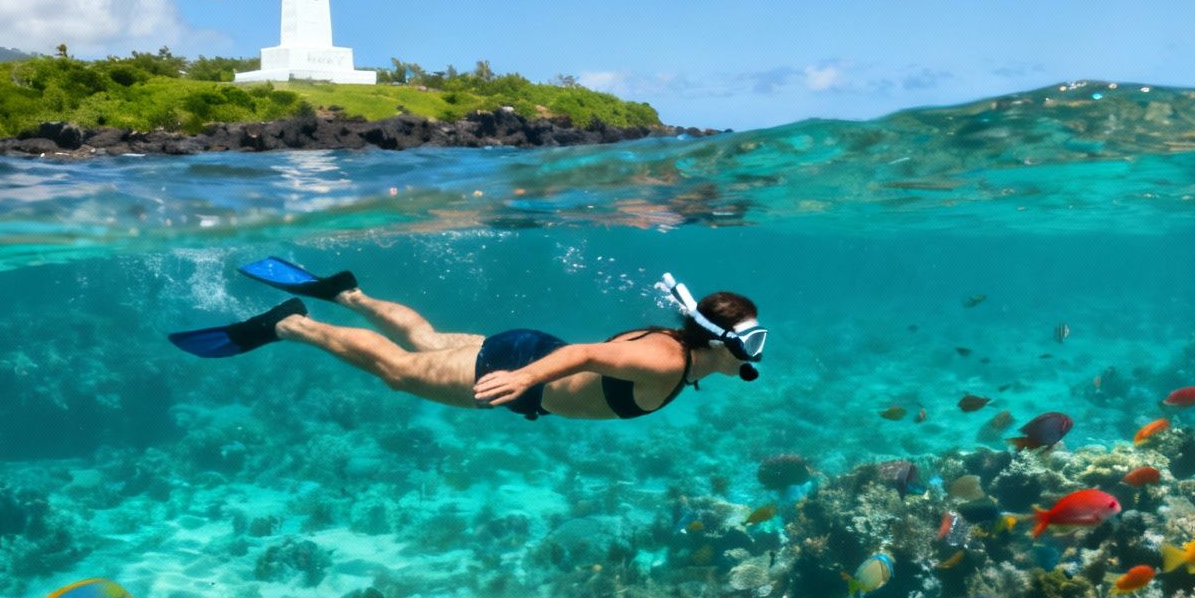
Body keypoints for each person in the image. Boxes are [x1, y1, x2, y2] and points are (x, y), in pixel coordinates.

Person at [168, 259, 765, 420]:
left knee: (425, 340)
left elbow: (729, 363)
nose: (755, 355)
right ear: (722, 342)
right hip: (521, 372)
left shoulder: (687, 350)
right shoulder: (662, 361)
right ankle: (291, 323)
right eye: (751, 343)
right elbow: (586, 354)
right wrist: (525, 380)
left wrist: (739, 364)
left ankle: (349, 294)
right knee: (402, 372)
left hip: (528, 347)